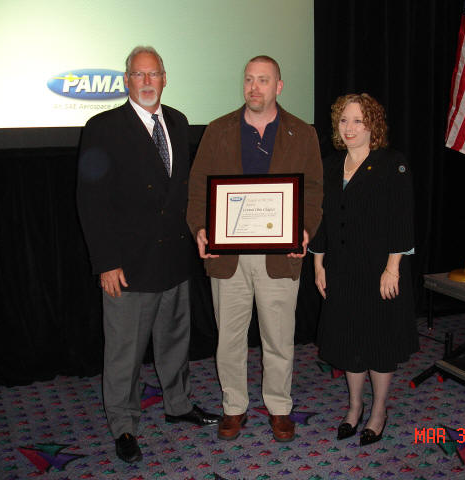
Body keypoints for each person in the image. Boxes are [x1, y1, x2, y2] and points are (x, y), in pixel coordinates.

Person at [76, 46, 219, 463]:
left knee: (174, 342)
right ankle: (123, 425)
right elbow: (90, 201)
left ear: (164, 77)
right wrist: (105, 262)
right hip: (128, 265)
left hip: (173, 259)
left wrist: (198, 231)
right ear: (126, 81)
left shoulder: (176, 121)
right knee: (124, 352)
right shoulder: (103, 127)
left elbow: (183, 193)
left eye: (153, 74)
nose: (146, 82)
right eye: (138, 75)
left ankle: (178, 405)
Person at [186, 55, 323, 442]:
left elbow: (313, 191)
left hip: (280, 255)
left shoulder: (303, 133)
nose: (254, 88)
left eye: (263, 80)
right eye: (249, 79)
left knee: (278, 338)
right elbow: (198, 188)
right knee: (229, 339)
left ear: (279, 86)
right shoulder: (217, 130)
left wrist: (305, 229)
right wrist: (200, 227)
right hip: (227, 256)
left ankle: (279, 407)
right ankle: (234, 407)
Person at [310, 93, 418, 446]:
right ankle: (354, 407)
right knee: (349, 339)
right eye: (344, 120)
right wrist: (317, 263)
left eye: (358, 120)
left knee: (378, 341)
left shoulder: (391, 164)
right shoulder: (330, 164)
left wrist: (393, 268)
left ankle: (379, 411)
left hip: (378, 271)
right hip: (340, 269)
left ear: (373, 125)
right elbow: (322, 221)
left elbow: (402, 220)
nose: (350, 127)